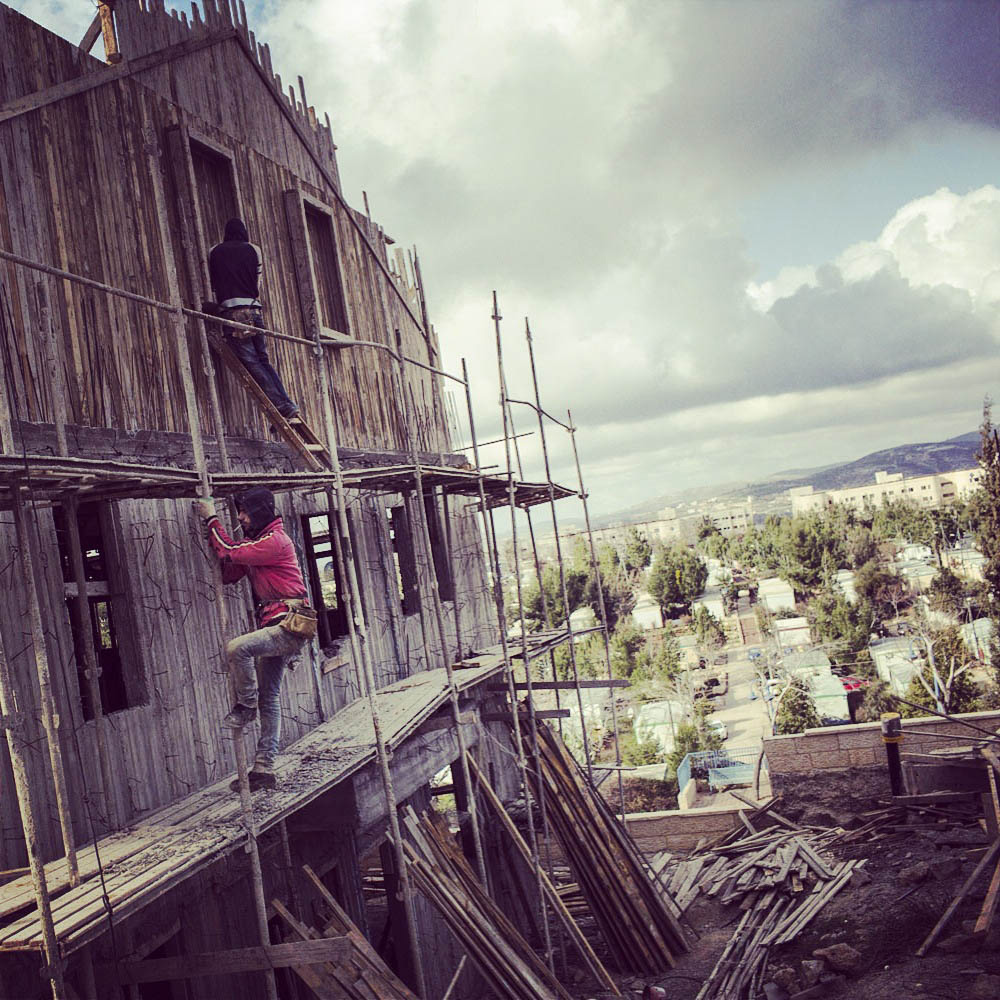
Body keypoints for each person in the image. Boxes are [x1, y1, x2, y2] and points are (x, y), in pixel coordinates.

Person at [194, 487, 315, 790]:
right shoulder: (258, 544)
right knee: (269, 697)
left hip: (289, 625)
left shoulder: (275, 541)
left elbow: (229, 551)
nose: (241, 518)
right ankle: (264, 767)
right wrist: (220, 547)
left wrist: (211, 519)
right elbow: (229, 572)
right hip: (276, 624)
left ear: (259, 511)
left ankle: (246, 706)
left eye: (245, 511)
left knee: (238, 648)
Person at [207, 218, 299, 419]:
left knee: (250, 361)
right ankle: (286, 403)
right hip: (254, 311)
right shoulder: (254, 250)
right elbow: (257, 284)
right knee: (263, 360)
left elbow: (214, 283)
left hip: (233, 313)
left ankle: (282, 405)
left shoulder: (214, 252)